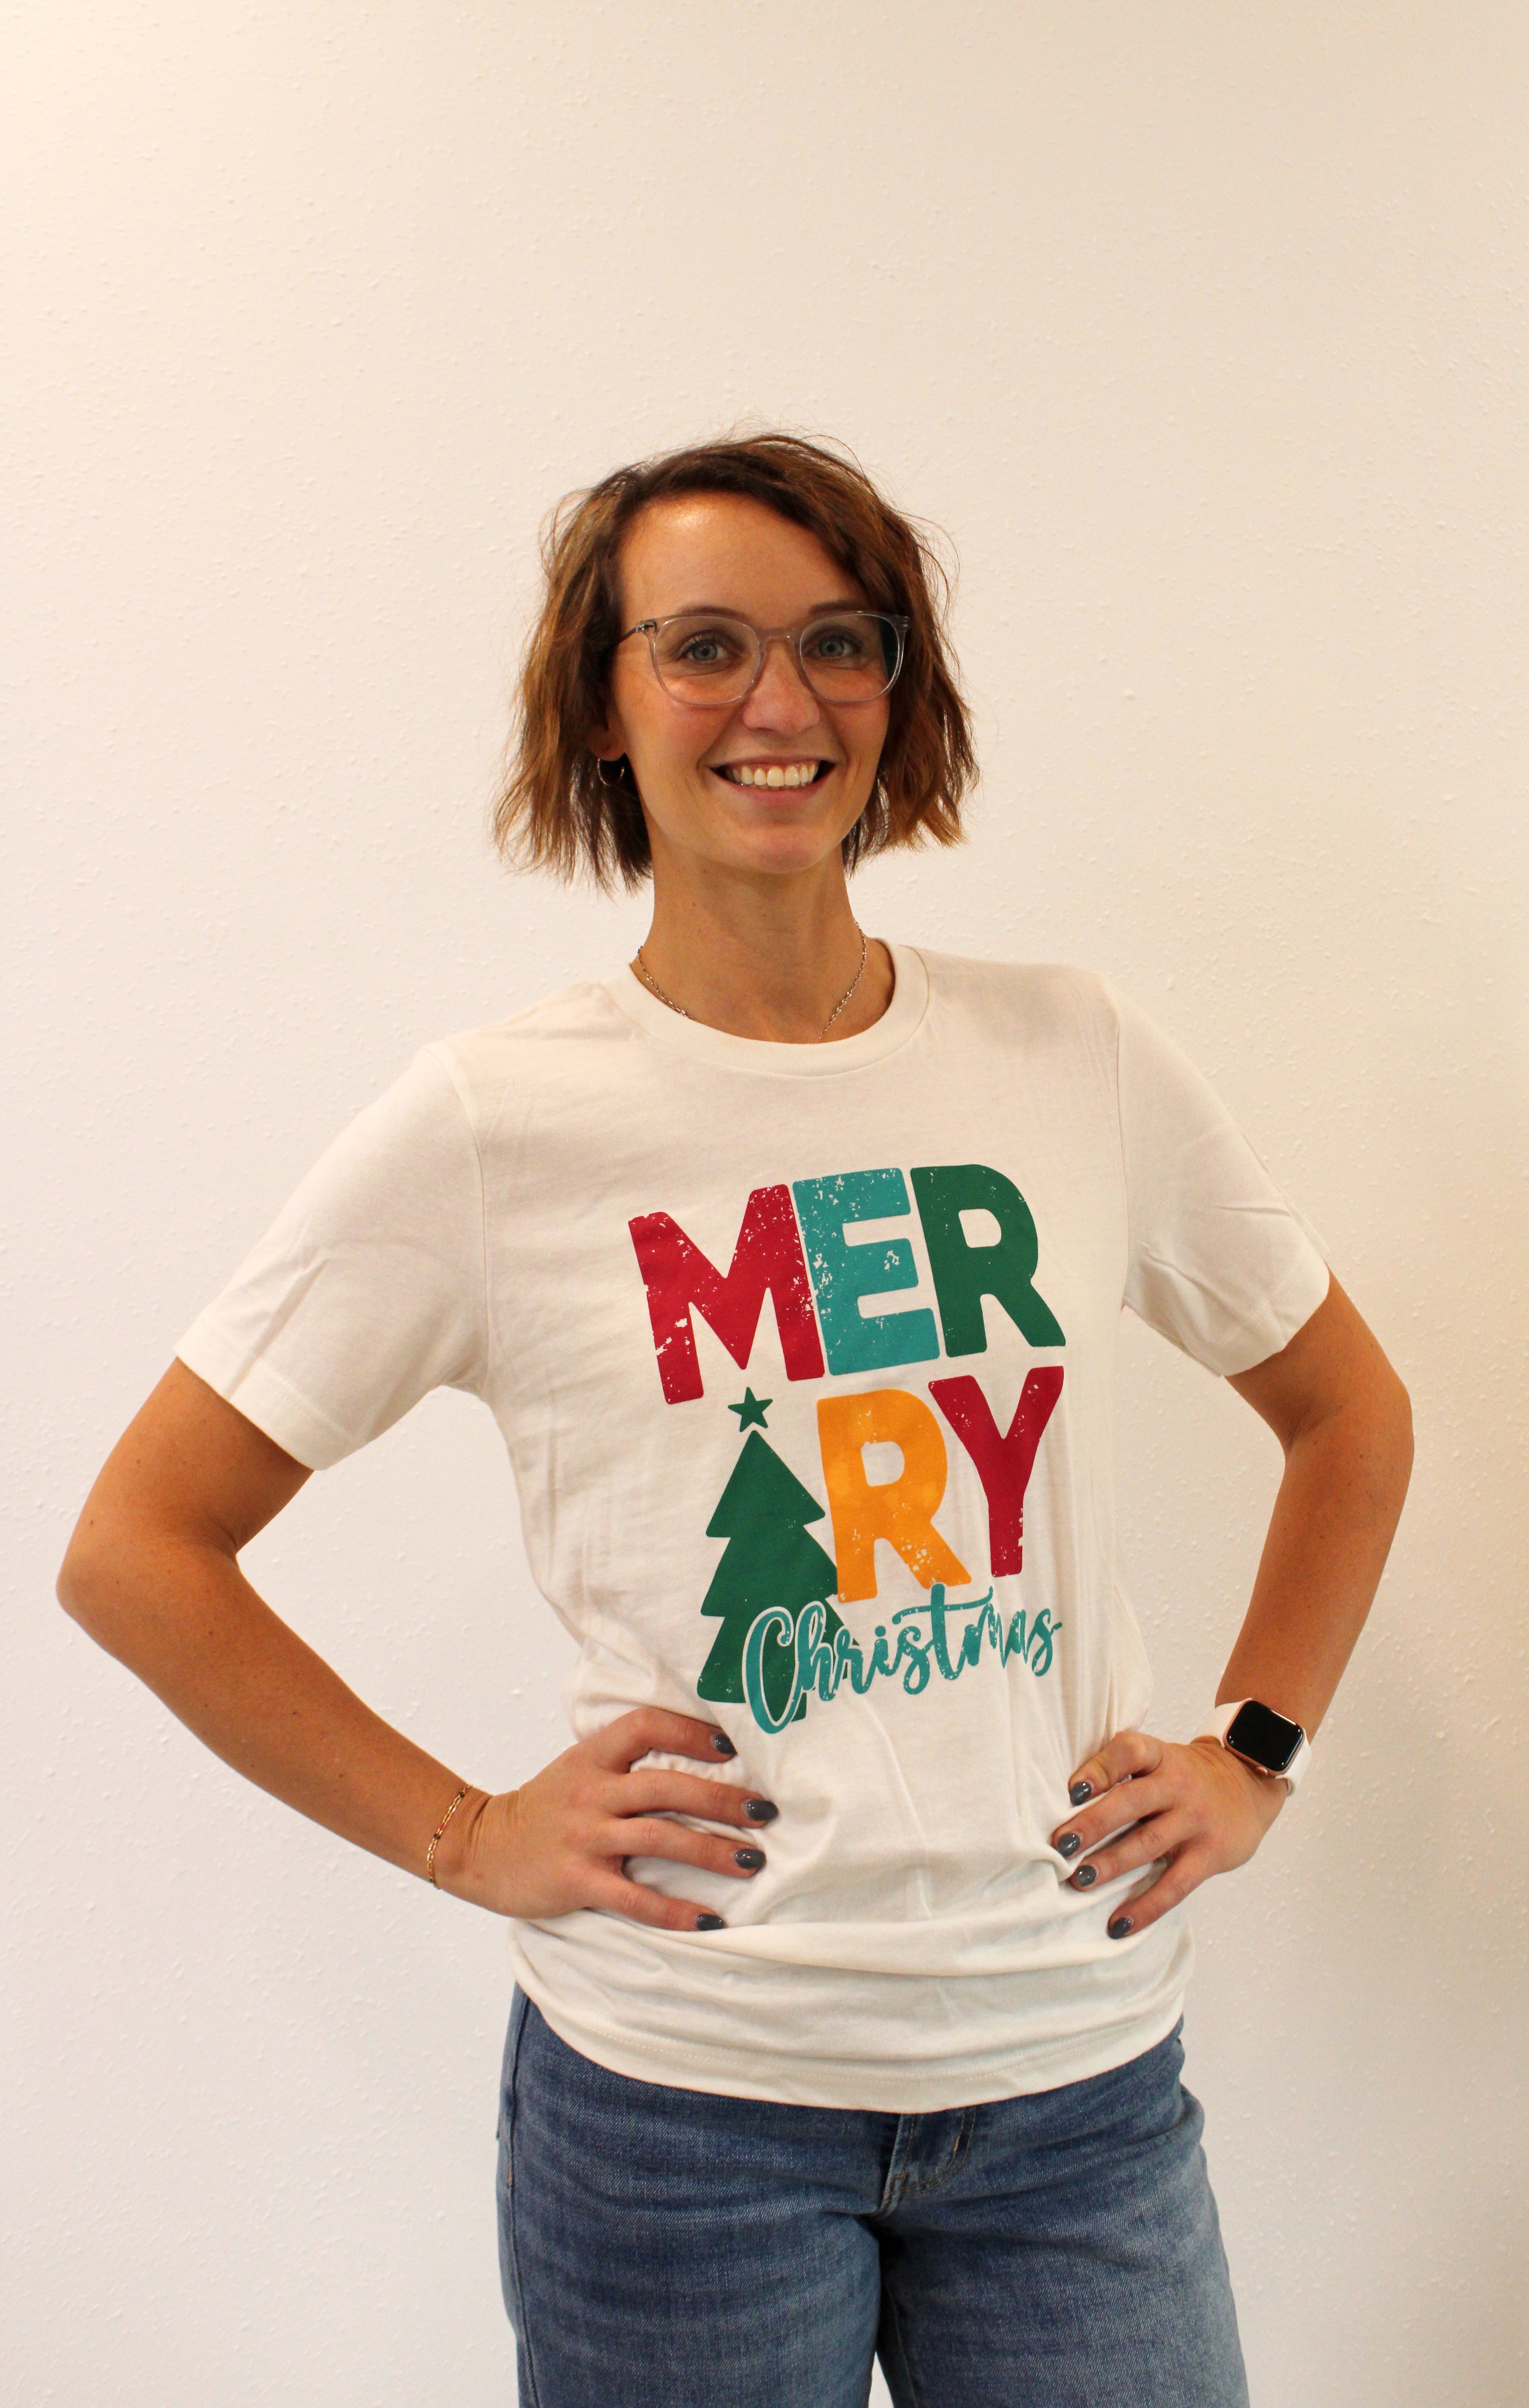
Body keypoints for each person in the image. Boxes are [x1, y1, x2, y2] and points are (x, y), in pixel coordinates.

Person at [59, 432, 1413, 2408]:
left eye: (838, 643)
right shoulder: (497, 1123)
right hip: (681, 2112)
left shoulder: (1071, 1052)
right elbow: (137, 1549)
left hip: (1076, 2079)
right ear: (602, 709)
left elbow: (1345, 1410)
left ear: (897, 692)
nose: (780, 703)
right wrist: (464, 1834)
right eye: (703, 647)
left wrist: (1256, 1750)